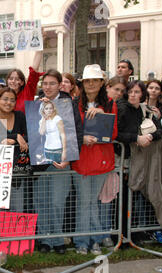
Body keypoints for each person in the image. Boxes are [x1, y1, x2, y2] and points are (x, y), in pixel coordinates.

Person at [116, 80, 162, 244]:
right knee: (121, 200)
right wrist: (135, 138)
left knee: (136, 201)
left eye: (137, 92)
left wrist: (149, 136)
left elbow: (160, 131)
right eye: (131, 91)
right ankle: (120, 235)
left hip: (142, 160)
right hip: (124, 160)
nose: (133, 95)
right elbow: (116, 133)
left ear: (142, 94)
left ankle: (134, 234)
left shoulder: (146, 110)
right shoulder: (121, 108)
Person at [32, 69, 83, 255]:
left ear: (60, 85)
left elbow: (76, 132)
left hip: (60, 161)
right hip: (41, 162)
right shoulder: (36, 104)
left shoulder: (67, 103)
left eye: (52, 83)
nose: (48, 87)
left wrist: (67, 157)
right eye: (45, 83)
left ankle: (58, 239)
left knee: (57, 201)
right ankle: (45, 240)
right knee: (42, 201)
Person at [71, 64, 118, 255]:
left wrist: (103, 115)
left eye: (95, 80)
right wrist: (81, 138)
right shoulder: (74, 104)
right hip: (81, 161)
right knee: (84, 202)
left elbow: (113, 133)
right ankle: (83, 241)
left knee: (94, 202)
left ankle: (95, 239)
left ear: (101, 83)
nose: (91, 84)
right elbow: (68, 130)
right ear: (83, 83)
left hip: (101, 161)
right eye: (87, 81)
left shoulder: (109, 104)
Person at [0, 87, 28, 212]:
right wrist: (15, 136)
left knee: (17, 210)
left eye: (12, 100)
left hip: (18, 171)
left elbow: (29, 136)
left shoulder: (20, 116)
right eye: (5, 99)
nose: (8, 103)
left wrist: (15, 139)